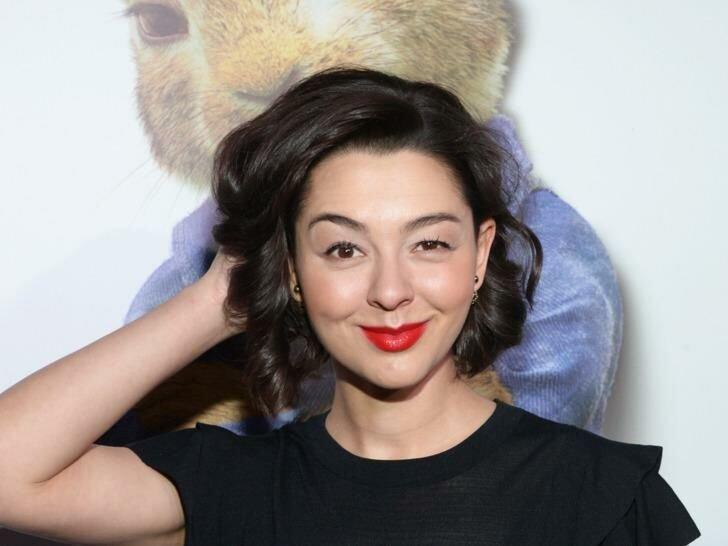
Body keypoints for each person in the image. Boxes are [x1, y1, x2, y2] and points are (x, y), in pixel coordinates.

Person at [0, 66, 700, 545]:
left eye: (429, 244)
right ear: (293, 268)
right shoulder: (234, 488)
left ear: (480, 254)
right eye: (343, 249)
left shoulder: (598, 494)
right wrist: (217, 298)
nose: (390, 290)